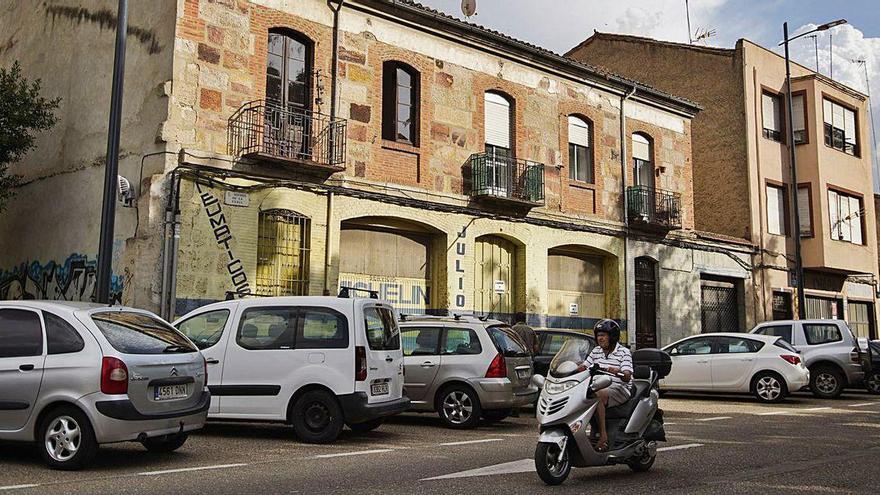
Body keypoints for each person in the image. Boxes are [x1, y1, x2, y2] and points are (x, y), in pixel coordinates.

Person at [579, 319, 632, 452]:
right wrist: (572, 368)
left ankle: (603, 436)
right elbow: (584, 366)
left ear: (612, 336)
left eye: (603, 335)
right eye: (598, 335)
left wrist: (618, 371)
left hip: (619, 388)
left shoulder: (624, 352)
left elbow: (627, 376)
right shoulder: (596, 351)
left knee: (598, 394)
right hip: (597, 385)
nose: (600, 338)